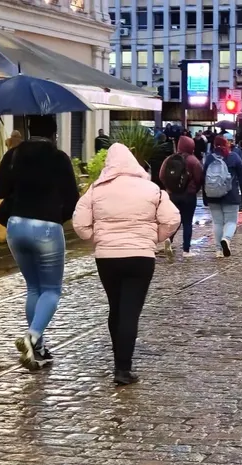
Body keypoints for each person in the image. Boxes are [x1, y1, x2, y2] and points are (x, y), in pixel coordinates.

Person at [73, 143, 180, 385]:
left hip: (107, 258)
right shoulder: (151, 189)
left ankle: (118, 359)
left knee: (116, 307)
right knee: (130, 311)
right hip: (141, 258)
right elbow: (172, 219)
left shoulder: (96, 190)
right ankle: (123, 368)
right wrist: (153, 238)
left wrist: (97, 239)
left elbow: (79, 223)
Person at [0, 115, 80, 371]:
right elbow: (73, 200)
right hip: (46, 228)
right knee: (51, 290)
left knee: (33, 288)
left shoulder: (14, 155)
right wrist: (56, 217)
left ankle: (38, 349)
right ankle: (32, 337)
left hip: (16, 226)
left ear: (29, 130)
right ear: (54, 132)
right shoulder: (59, 158)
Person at [203, 136, 242, 257]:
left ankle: (219, 251)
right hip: (231, 196)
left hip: (212, 196)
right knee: (231, 222)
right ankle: (226, 239)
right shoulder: (234, 157)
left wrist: (205, 198)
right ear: (227, 144)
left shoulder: (209, 158)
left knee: (217, 223)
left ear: (214, 145)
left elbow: (203, 179)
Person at [159, 135, 204, 257]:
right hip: (189, 196)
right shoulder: (193, 161)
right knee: (187, 222)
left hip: (173, 195)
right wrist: (195, 189)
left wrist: (169, 188)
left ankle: (169, 239)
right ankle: (186, 250)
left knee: (175, 220)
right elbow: (200, 178)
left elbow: (161, 176)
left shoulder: (169, 159)